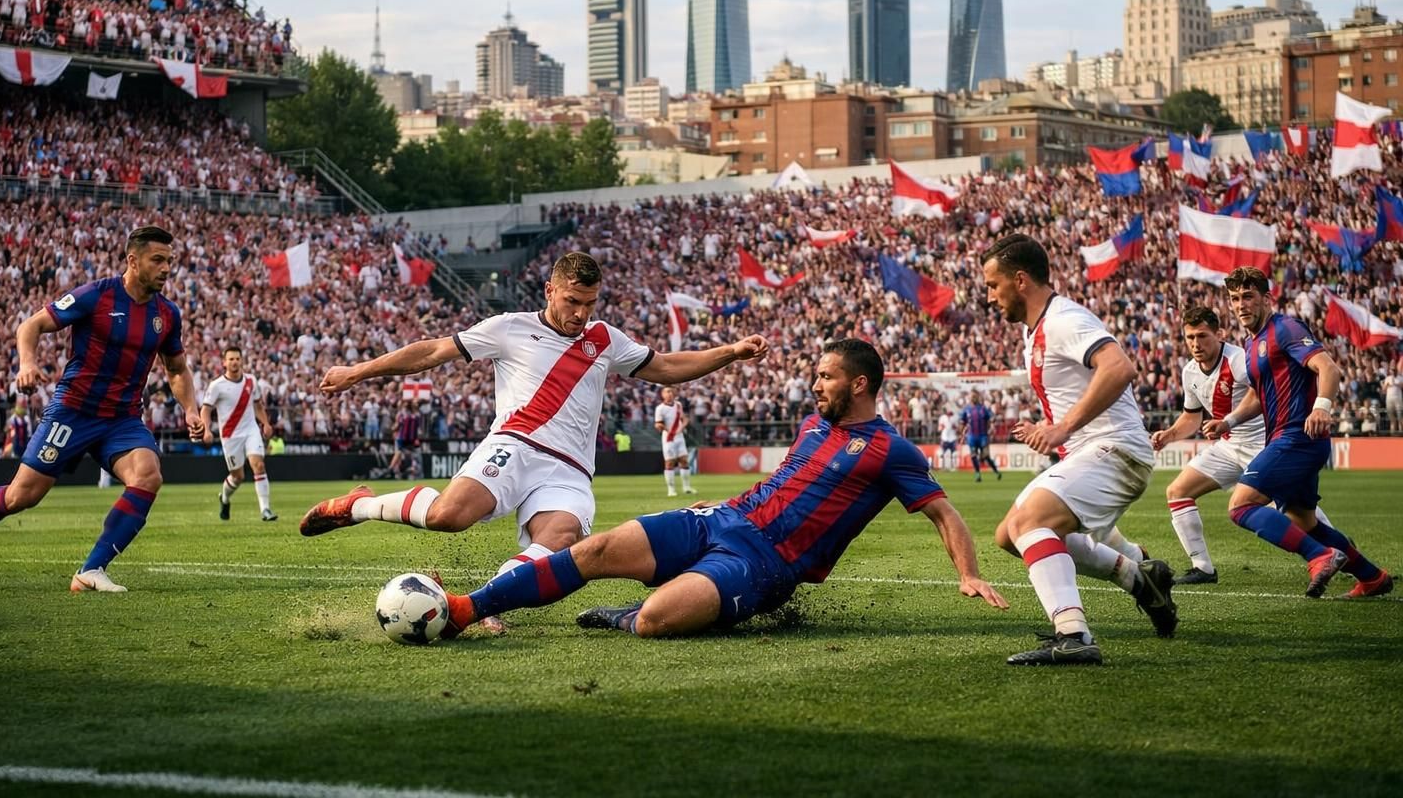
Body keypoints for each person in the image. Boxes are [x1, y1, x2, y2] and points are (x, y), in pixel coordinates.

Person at [302, 251, 767, 633]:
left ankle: (484, 605)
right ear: (549, 290)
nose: (581, 314)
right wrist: (358, 371)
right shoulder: (508, 327)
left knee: (561, 539)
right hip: (515, 445)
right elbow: (432, 351)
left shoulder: (605, 339)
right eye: (572, 301)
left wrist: (728, 352)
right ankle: (358, 505)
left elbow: (665, 367)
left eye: (590, 303)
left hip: (569, 470)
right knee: (449, 516)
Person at [429, 339, 1008, 639]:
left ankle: (626, 615)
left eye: (825, 377)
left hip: (765, 564)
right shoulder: (813, 425)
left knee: (656, 620)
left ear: (859, 384)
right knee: (593, 549)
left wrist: (968, 573)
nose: (814, 384)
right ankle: (465, 608)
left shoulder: (890, 450)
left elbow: (945, 515)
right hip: (722, 519)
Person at [0, 226, 205, 592]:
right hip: (73, 412)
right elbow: (31, 325)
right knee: (22, 496)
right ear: (133, 260)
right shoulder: (96, 296)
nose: (166, 269)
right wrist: (26, 364)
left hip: (121, 419)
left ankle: (91, 570)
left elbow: (177, 369)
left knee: (148, 475)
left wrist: (191, 410)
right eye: (157, 260)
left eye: (170, 261)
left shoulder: (167, 314)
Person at [981, 233, 1177, 667]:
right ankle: (1141, 579)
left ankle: (1073, 634)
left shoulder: (1064, 320)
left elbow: (1119, 367)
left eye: (993, 286)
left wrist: (1061, 428)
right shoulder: (1034, 332)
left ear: (1020, 281)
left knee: (1030, 521)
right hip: (1095, 451)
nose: (990, 297)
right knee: (1008, 535)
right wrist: (1056, 429)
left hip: (1116, 449)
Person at [1201, 267, 1391, 599]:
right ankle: (1372, 577)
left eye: (1248, 297)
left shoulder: (1285, 328)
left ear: (1266, 298)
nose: (1241, 305)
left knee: (1241, 506)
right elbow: (1259, 395)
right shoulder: (1252, 343)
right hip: (1284, 438)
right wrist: (1228, 422)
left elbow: (1328, 368)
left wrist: (1322, 407)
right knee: (1303, 521)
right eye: (1234, 299)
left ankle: (1319, 556)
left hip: (1298, 436)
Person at [1150, 305, 1331, 586]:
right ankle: (1203, 568)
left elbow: (1264, 394)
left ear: (1219, 334)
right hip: (1227, 446)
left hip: (1262, 444)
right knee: (1177, 491)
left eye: (1202, 336)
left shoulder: (1238, 359)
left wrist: (1230, 420)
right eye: (1190, 338)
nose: (1195, 344)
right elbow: (1191, 416)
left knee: (1296, 513)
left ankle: (1337, 548)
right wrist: (1170, 434)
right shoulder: (1189, 372)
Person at [200, 346, 277, 522]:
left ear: (242, 361)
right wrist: (206, 429)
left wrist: (265, 423)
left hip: (251, 430)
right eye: (231, 359)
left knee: (258, 465)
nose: (234, 362)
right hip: (230, 435)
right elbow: (205, 409)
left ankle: (266, 510)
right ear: (224, 362)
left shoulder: (251, 381)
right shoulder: (217, 385)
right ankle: (224, 498)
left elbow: (258, 405)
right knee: (238, 476)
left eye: (237, 359)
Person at [654, 385, 696, 498]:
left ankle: (686, 487)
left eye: (671, 391)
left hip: (679, 436)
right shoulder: (660, 408)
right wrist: (662, 427)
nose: (670, 394)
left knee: (684, 460)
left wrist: (682, 426)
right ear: (662, 395)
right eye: (667, 392)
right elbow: (658, 423)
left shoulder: (678, 405)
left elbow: (683, 418)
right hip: (669, 437)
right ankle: (671, 489)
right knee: (669, 462)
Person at [959, 391, 1001, 481]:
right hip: (971, 437)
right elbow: (963, 423)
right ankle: (977, 474)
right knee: (973, 455)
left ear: (977, 398)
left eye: (974, 396)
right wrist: (962, 435)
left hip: (983, 436)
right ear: (969, 398)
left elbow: (991, 418)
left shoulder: (983, 408)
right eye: (971, 397)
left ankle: (996, 471)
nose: (973, 398)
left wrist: (992, 427)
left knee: (986, 456)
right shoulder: (967, 409)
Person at [935, 407, 959, 473]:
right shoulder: (942, 418)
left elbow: (957, 428)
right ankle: (942, 467)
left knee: (954, 454)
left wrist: (954, 427)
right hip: (944, 437)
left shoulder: (955, 418)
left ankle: (953, 467)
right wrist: (941, 428)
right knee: (941, 453)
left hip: (952, 437)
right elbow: (939, 428)